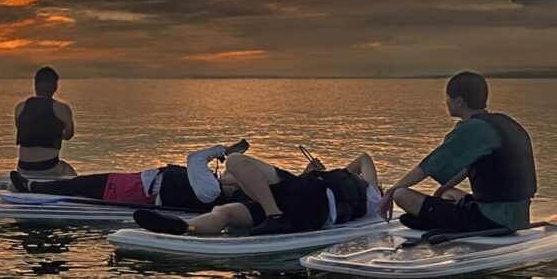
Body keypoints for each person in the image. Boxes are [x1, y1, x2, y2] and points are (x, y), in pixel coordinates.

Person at [378, 71, 536, 233]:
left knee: (401, 194)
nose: (445, 102)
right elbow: (469, 167)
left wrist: (390, 193)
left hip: (491, 220)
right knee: (447, 193)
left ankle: (437, 221)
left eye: (447, 97)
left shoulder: (472, 128)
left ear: (459, 101)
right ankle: (437, 218)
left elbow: (427, 167)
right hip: (518, 217)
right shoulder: (505, 123)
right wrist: (439, 192)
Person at [134, 152, 380, 236]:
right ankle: (185, 227)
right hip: (304, 210)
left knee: (236, 161)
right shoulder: (361, 200)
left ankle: (274, 216)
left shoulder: (374, 197)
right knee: (226, 212)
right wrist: (308, 172)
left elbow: (363, 158)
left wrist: (383, 191)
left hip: (300, 201)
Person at [10, 140, 250, 211]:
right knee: (81, 184)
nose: (228, 173)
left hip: (133, 190)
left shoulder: (212, 190)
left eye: (232, 176)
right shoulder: (211, 189)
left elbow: (195, 158)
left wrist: (223, 151)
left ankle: (32, 188)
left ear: (233, 188)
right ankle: (37, 185)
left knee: (80, 185)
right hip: (138, 183)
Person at [15, 66, 77, 176]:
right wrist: (56, 135)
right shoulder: (62, 109)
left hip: (23, 168)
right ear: (55, 87)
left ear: (35, 85)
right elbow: (69, 135)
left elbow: (22, 128)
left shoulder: (20, 107)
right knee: (71, 173)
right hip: (49, 166)